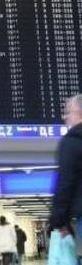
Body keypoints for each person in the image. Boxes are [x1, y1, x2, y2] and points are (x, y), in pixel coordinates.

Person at [50, 95, 82, 240]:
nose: (65, 117)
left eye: (68, 112)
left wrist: (60, 221)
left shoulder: (72, 141)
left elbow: (65, 183)